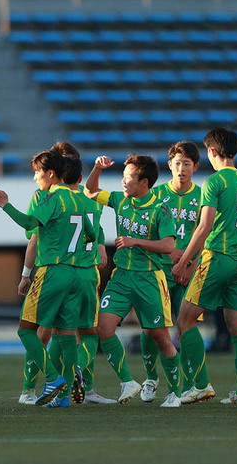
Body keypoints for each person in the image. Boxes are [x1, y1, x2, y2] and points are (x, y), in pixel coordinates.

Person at [0, 149, 96, 408]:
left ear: (51, 173)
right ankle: (62, 399)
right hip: (76, 273)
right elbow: (91, 235)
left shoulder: (51, 198)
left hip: (52, 270)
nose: (35, 177)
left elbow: (29, 224)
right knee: (68, 334)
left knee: (26, 330)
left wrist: (5, 204)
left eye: (37, 172)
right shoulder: (79, 199)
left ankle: (52, 378)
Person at [18, 142, 116, 406]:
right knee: (75, 333)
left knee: (42, 331)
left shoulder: (46, 197)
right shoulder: (87, 202)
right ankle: (57, 386)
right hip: (83, 273)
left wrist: (26, 274)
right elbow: (98, 242)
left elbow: (32, 236)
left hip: (54, 271)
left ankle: (46, 385)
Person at [172, 127, 237, 405]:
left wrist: (184, 261)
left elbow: (204, 227)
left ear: (211, 151)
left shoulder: (214, 182)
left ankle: (200, 385)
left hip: (215, 257)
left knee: (185, 321)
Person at [85, 154, 182, 408]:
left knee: (159, 336)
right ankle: (128, 381)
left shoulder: (160, 209)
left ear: (145, 182)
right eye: (123, 176)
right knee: (103, 328)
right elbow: (90, 190)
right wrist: (96, 168)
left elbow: (168, 245)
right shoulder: (120, 200)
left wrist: (135, 241)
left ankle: (174, 392)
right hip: (121, 277)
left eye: (128, 177)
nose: (123, 181)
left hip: (150, 279)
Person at [141, 141, 215, 405]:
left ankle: (194, 384)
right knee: (152, 328)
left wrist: (189, 265)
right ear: (169, 164)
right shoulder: (156, 194)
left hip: (190, 271)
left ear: (195, 167)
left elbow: (207, 234)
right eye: (177, 163)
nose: (181, 168)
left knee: (188, 326)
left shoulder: (205, 195)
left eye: (187, 164)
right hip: (158, 270)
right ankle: (151, 378)